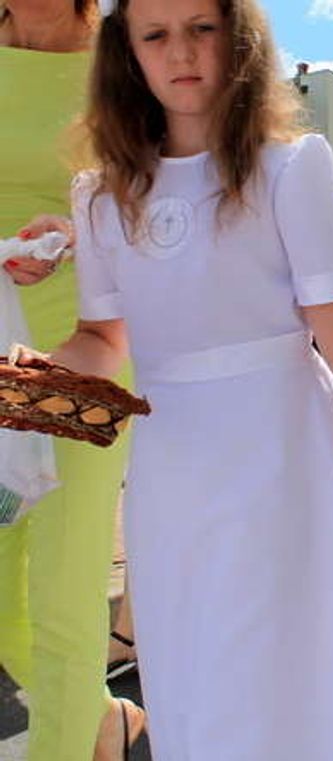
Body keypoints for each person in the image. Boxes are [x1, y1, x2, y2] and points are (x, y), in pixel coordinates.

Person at [13, 2, 333, 757]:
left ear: (238, 41)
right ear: (126, 55)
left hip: (283, 451)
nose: (181, 51)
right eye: (155, 34)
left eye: (201, 28)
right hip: (173, 464)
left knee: (299, 656)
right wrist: (41, 370)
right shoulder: (101, 194)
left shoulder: (290, 166)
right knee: (198, 660)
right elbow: (103, 341)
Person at [0, 2, 146, 758]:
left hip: (85, 340)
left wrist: (73, 240)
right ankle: (99, 716)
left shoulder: (124, 55)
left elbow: (154, 198)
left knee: (64, 587)